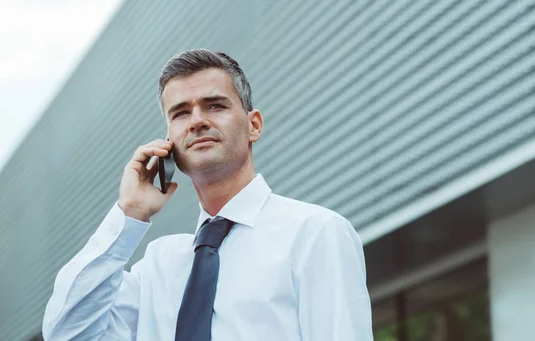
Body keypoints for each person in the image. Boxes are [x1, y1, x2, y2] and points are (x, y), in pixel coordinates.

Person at [42, 49, 373, 341]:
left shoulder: (314, 232)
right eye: (181, 113)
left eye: (215, 106)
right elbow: (68, 332)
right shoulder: (158, 267)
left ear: (253, 125)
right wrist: (129, 215)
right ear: (168, 139)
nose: (197, 121)